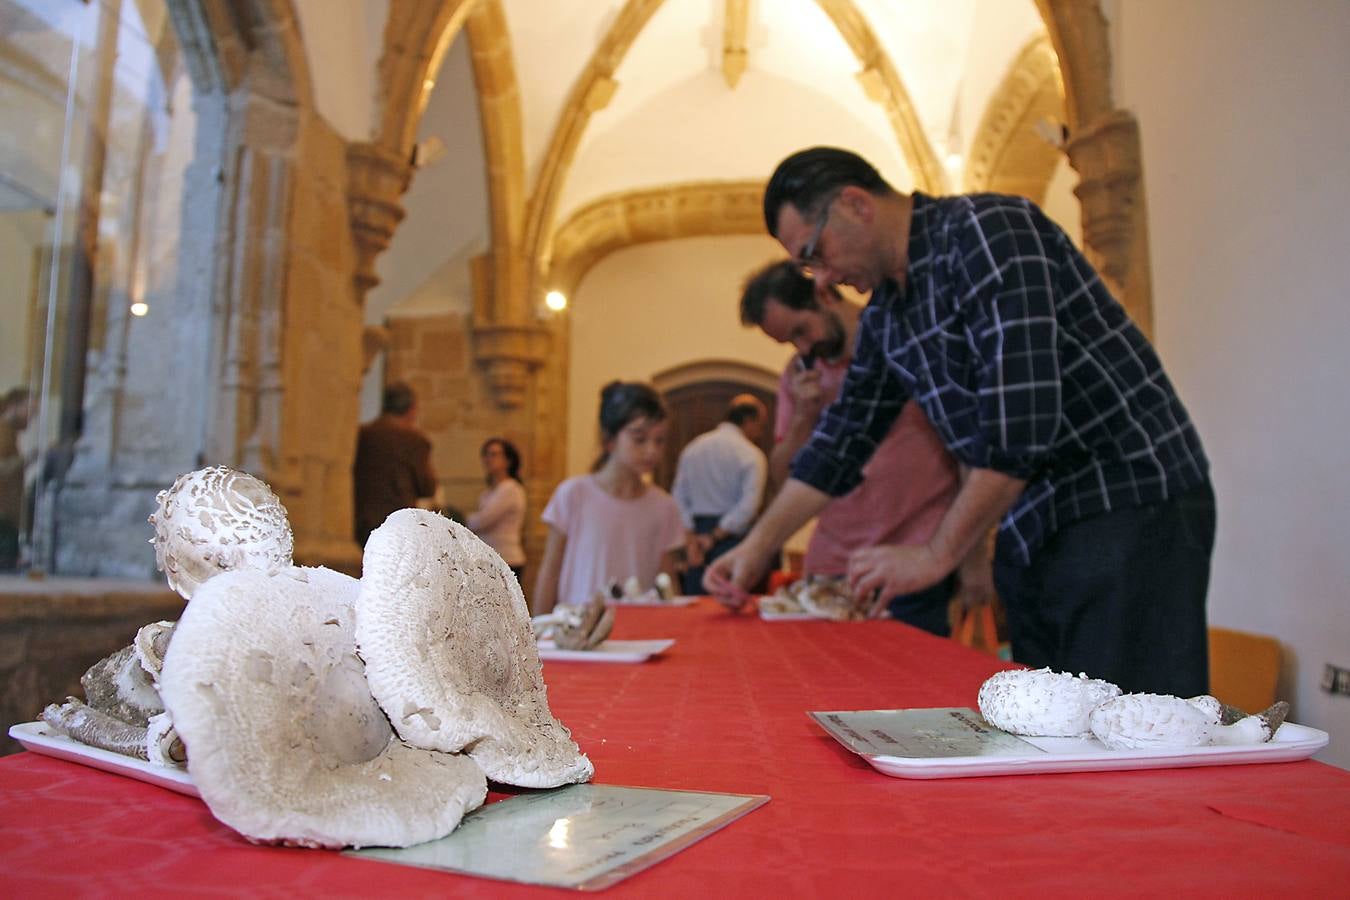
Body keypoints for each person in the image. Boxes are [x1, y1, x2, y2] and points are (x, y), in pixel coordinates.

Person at [708, 146, 1215, 696]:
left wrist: (935, 555)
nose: (824, 279)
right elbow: (840, 444)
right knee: (1051, 727)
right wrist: (756, 548)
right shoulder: (887, 313)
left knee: (1134, 732)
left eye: (816, 253)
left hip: (1128, 497)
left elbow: (1018, 428)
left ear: (855, 204)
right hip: (1033, 523)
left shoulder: (987, 231)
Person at [739, 261, 992, 636]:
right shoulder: (800, 374)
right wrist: (803, 417)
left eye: (801, 331)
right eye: (791, 342)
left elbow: (967, 453)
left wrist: (971, 555)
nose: (804, 348)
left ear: (824, 294)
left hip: (913, 554)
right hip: (832, 559)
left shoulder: (910, 348)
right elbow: (785, 475)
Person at [533, 381, 685, 615]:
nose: (652, 450)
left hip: (638, 633)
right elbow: (550, 571)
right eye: (639, 439)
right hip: (579, 631)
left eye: (660, 440)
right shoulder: (573, 494)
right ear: (610, 440)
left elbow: (667, 580)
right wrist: (535, 635)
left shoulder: (664, 506)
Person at [670, 394, 768, 595]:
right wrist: (713, 537)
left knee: (696, 610)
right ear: (748, 422)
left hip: (696, 537)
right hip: (732, 540)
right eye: (760, 426)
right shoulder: (751, 454)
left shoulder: (693, 448)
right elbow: (748, 507)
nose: (760, 433)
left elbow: (678, 496)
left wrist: (692, 539)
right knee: (732, 609)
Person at [353, 381, 438, 547]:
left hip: (361, 518)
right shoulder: (414, 441)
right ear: (411, 409)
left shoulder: (363, 435)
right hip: (397, 520)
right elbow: (426, 486)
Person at [467, 437, 528, 581]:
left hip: (507, 559)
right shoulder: (488, 492)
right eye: (486, 454)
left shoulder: (510, 489)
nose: (488, 459)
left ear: (508, 460)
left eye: (494, 454)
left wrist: (468, 518)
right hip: (490, 558)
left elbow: (481, 522)